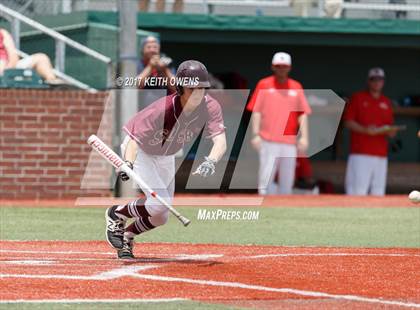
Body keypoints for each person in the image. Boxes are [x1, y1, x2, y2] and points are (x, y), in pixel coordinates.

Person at [106, 60, 227, 259]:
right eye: (192, 88)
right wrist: (127, 163)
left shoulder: (211, 106)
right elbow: (134, 142)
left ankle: (127, 236)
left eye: (202, 88)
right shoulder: (162, 109)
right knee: (159, 204)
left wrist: (210, 161)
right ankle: (116, 213)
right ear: (180, 87)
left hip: (166, 154)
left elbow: (220, 141)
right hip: (140, 150)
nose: (198, 93)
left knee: (160, 216)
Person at [247, 52, 311, 195]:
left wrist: (304, 137)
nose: (281, 69)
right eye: (278, 66)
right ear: (273, 67)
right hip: (268, 140)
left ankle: (284, 212)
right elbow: (256, 111)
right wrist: (255, 134)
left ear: (289, 68)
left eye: (284, 66)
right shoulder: (264, 84)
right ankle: (264, 211)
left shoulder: (296, 86)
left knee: (287, 182)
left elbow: (302, 114)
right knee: (265, 181)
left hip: (289, 142)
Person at [344, 68, 396, 196]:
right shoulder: (358, 98)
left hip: (381, 154)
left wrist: (390, 131)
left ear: (383, 82)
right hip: (361, 153)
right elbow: (348, 122)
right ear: (369, 81)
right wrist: (366, 130)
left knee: (378, 192)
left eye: (380, 79)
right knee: (357, 191)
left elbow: (390, 126)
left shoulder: (386, 102)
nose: (377, 82)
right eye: (374, 79)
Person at [137, 36, 176, 108]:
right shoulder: (137, 65)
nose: (152, 50)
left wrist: (165, 70)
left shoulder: (167, 64)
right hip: (141, 110)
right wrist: (150, 67)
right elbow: (133, 87)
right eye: (148, 47)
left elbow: (176, 88)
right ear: (142, 50)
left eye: (155, 47)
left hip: (163, 110)